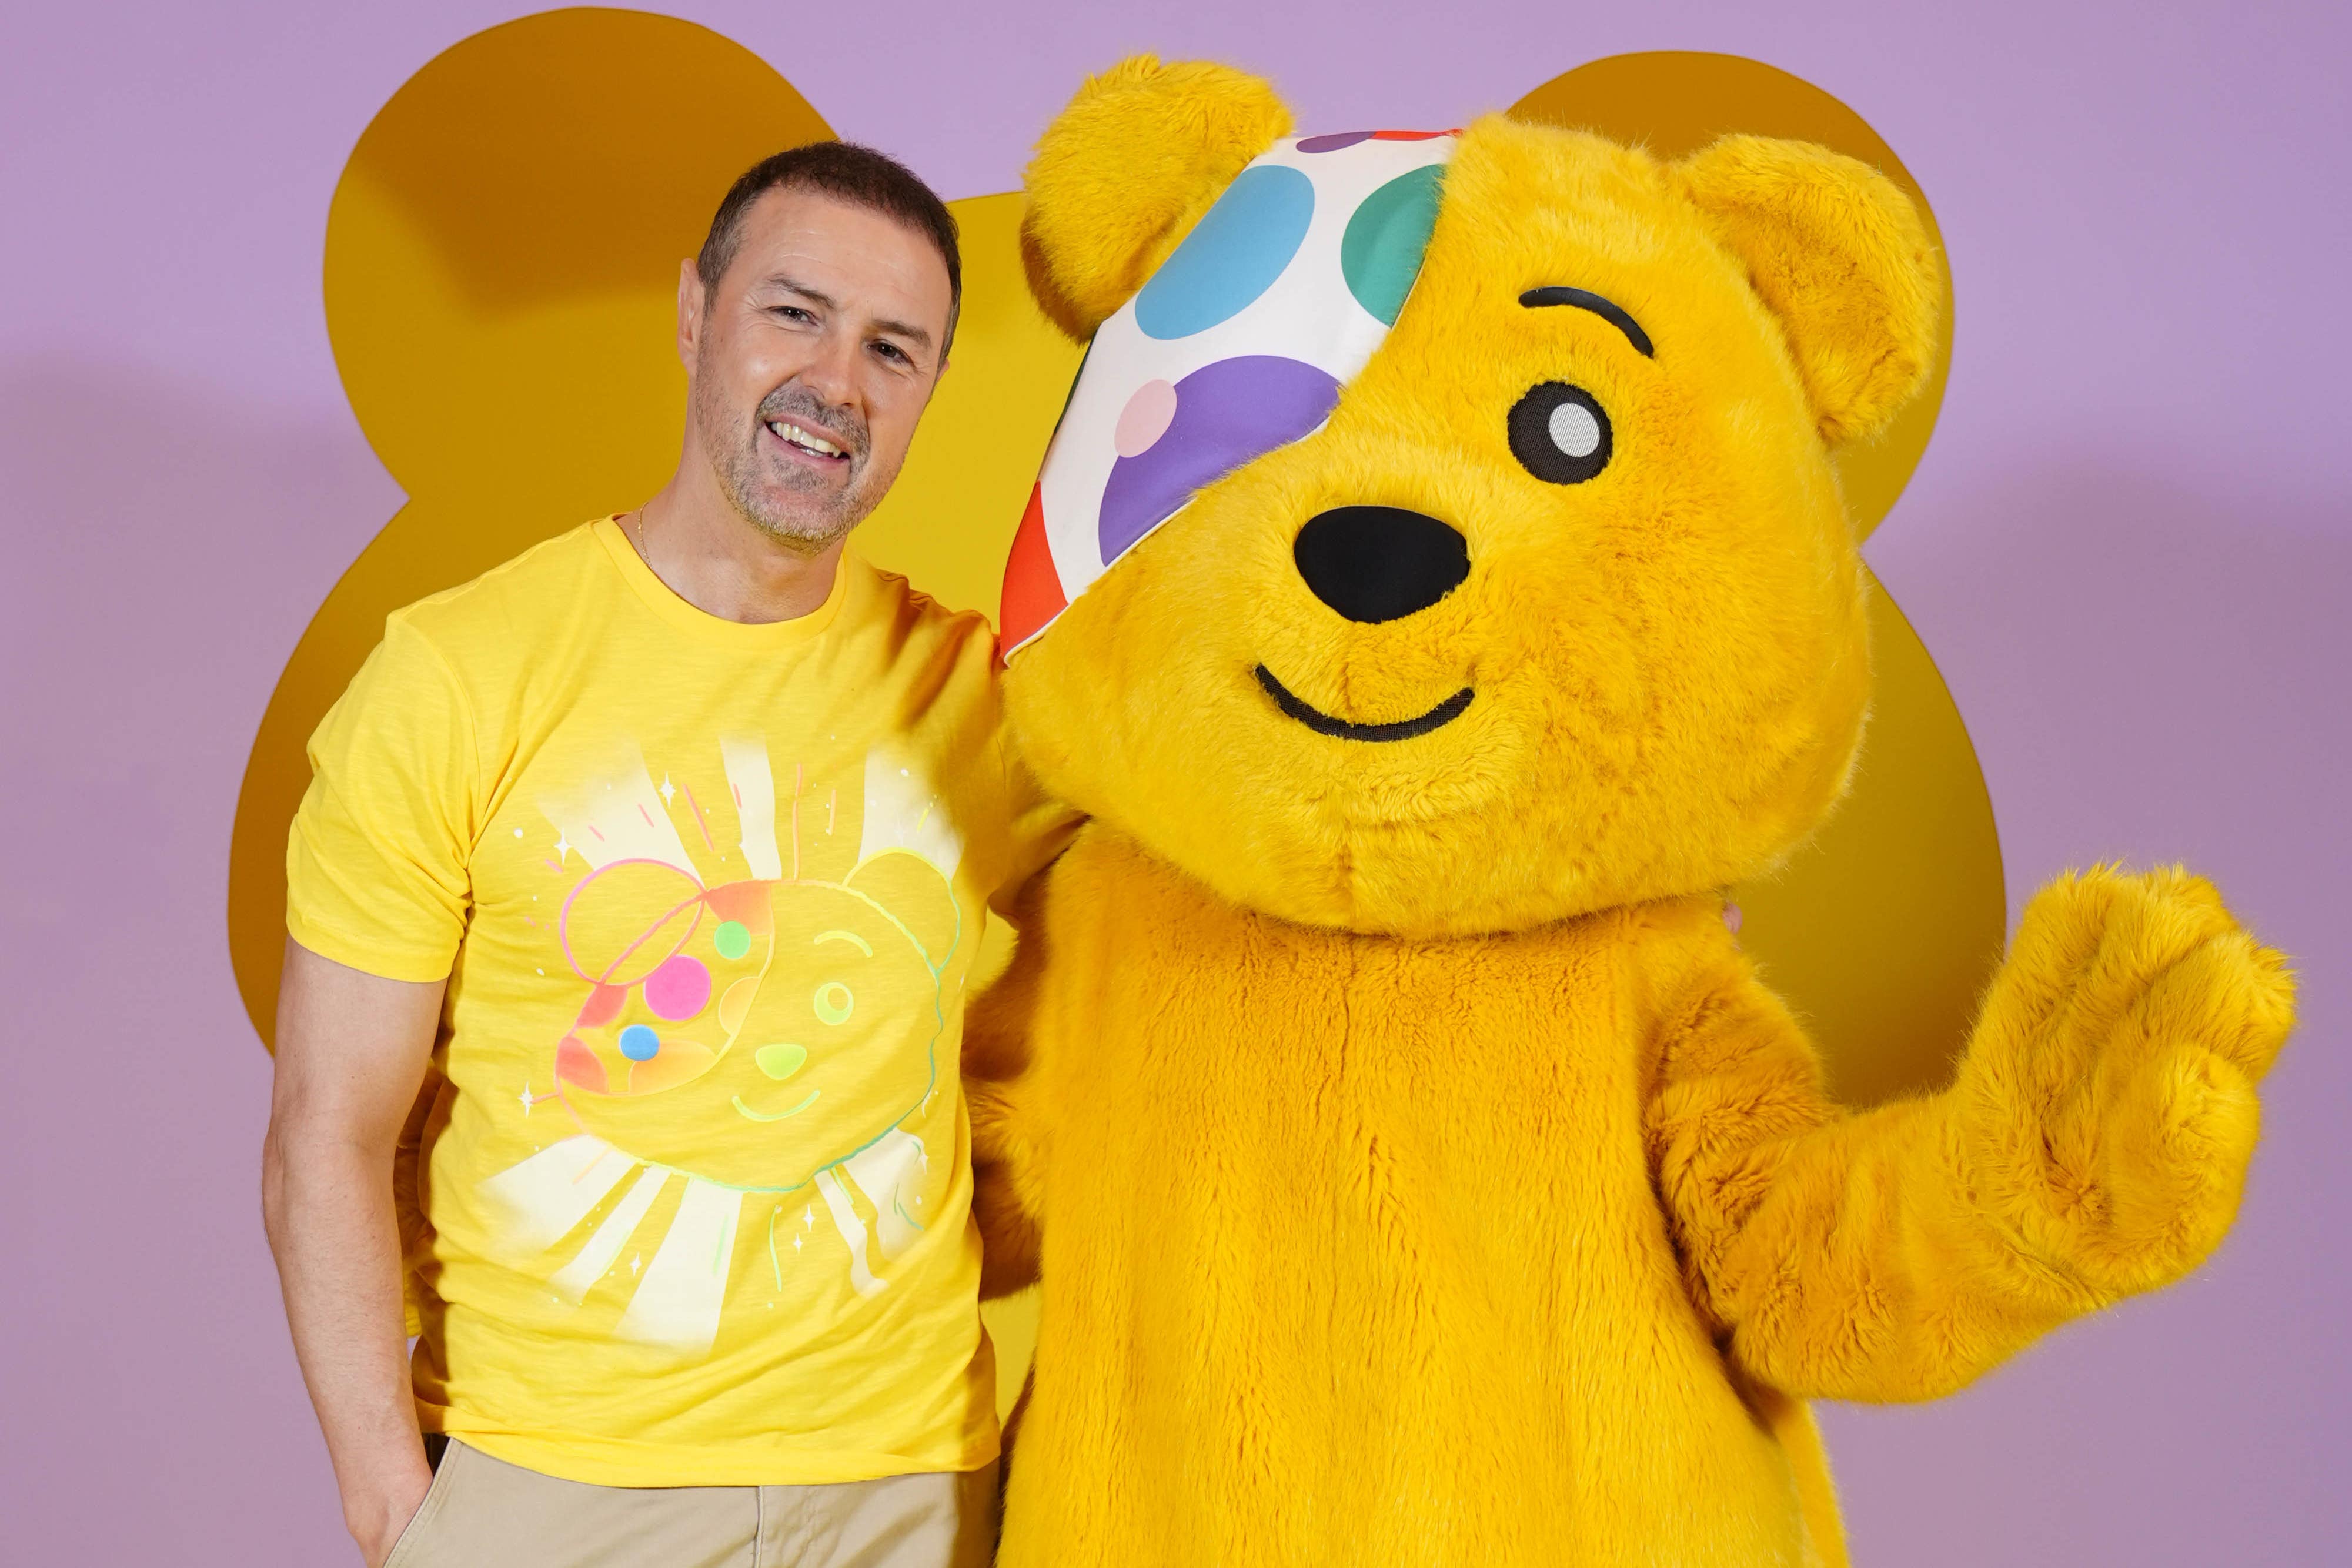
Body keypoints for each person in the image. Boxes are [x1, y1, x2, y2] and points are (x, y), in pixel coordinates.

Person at [264, 140, 1063, 1568]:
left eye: (895, 348)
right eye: (795, 312)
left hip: (909, 1489)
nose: (839, 382)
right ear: (695, 312)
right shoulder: (458, 674)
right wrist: (396, 1499)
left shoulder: (977, 697)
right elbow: (328, 1124)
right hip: (555, 1486)